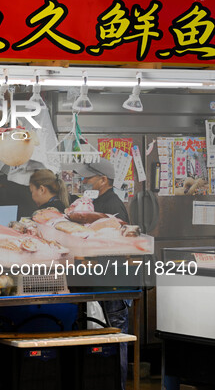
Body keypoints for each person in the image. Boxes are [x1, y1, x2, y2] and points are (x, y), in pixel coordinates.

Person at [69, 157, 130, 390]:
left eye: (88, 178)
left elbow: (117, 247)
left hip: (114, 283)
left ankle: (119, 385)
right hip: (103, 281)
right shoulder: (99, 203)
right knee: (107, 338)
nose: (84, 181)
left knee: (117, 338)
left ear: (103, 180)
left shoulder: (112, 206)